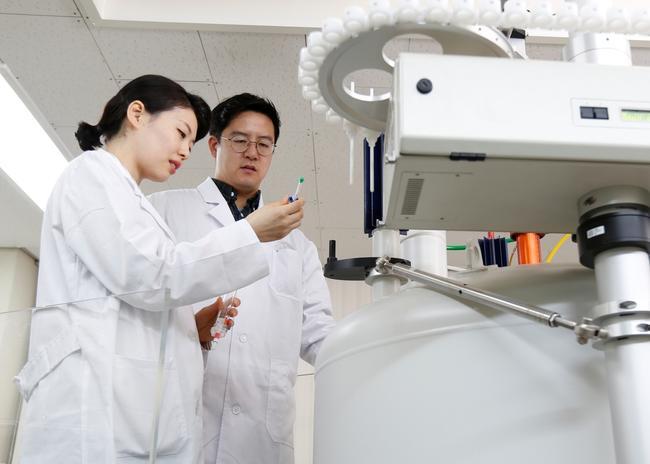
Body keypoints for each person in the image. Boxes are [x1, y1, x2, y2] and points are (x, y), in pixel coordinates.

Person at [14, 76, 304, 464]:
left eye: (190, 141)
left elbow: (136, 296)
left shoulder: (131, 200)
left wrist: (189, 329)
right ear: (137, 114)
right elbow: (148, 275)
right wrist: (249, 233)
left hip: (135, 419)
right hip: (92, 416)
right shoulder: (90, 176)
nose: (184, 150)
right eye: (181, 133)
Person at [148, 93, 336, 464]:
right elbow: (139, 307)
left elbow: (319, 335)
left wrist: (367, 355)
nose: (252, 152)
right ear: (214, 145)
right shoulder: (165, 211)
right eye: (240, 140)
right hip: (181, 423)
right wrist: (189, 331)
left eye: (264, 144)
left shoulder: (298, 247)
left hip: (261, 439)